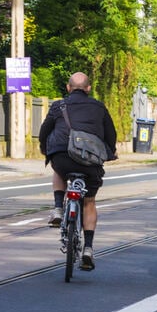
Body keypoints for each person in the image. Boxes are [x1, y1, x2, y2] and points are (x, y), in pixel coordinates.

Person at [38, 72, 118, 271]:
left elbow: (44, 131)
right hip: (90, 160)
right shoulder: (99, 107)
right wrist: (110, 152)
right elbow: (111, 134)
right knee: (89, 201)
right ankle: (88, 248)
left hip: (62, 156)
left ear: (68, 87)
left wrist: (45, 149)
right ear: (88, 88)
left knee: (57, 169)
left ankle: (58, 208)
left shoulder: (58, 106)